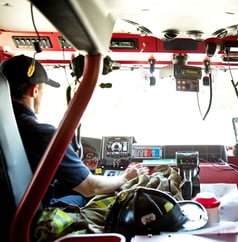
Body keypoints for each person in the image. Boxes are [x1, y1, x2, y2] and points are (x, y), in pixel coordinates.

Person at [0, 54, 148, 207]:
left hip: (9, 213)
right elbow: (90, 187)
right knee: (84, 199)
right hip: (30, 218)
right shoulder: (40, 133)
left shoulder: (8, 128)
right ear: (34, 91)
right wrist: (125, 178)